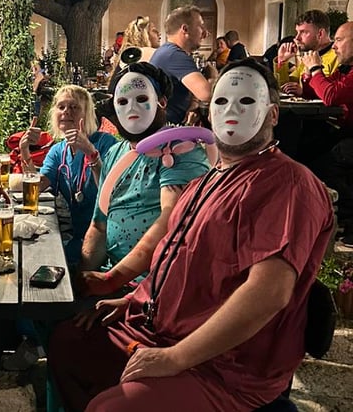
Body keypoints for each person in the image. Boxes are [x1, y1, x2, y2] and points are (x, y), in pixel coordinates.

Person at [48, 59, 335, 412]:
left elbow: (269, 292)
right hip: (158, 328)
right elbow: (177, 253)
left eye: (246, 101)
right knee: (68, 344)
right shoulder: (208, 179)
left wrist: (174, 358)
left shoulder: (287, 184)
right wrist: (135, 298)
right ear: (208, 113)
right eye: (221, 101)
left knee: (111, 409)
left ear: (272, 114)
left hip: (225, 366)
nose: (232, 110)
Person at [77, 62, 209, 294]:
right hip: (113, 280)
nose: (132, 108)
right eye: (122, 101)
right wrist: (81, 286)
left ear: (162, 102)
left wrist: (111, 280)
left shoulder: (181, 151)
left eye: (141, 98)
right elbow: (99, 226)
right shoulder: (115, 153)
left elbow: (172, 220)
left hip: (156, 287)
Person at [19, 85, 118, 267]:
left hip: (106, 239)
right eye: (61, 107)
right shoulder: (58, 151)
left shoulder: (106, 143)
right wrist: (24, 150)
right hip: (78, 238)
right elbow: (38, 185)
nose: (66, 112)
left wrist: (90, 153)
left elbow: (111, 193)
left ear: (87, 114)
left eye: (74, 107)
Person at [296, 21, 353, 244]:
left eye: (339, 40)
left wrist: (315, 70)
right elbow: (320, 90)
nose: (335, 46)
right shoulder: (346, 69)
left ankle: (347, 220)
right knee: (305, 149)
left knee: (329, 162)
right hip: (343, 130)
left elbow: (331, 96)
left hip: (349, 135)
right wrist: (308, 76)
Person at [150, 5, 215, 124]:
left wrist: (193, 103)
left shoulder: (167, 51)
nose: (206, 33)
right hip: (169, 129)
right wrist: (212, 74)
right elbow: (208, 94)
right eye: (201, 26)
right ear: (185, 29)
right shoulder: (174, 56)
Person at [276, 9, 338, 89]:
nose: (297, 38)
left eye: (303, 32)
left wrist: (302, 92)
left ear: (320, 34)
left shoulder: (338, 57)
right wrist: (282, 60)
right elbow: (284, 87)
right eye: (297, 32)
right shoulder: (308, 56)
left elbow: (333, 91)